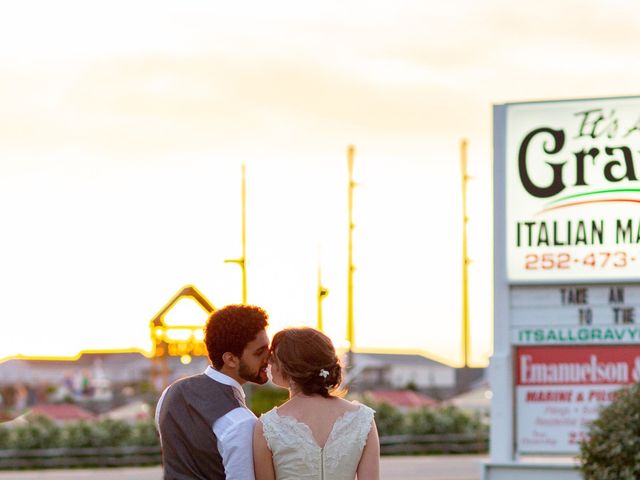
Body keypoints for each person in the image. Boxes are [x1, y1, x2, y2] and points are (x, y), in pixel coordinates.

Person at [156, 304, 270, 480]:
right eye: (259, 352)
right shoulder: (241, 421)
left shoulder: (170, 393)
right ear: (230, 359)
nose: (268, 358)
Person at [253, 327, 380, 480]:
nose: (268, 362)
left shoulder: (267, 426)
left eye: (273, 357)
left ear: (291, 365)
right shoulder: (363, 419)